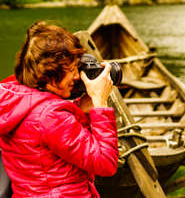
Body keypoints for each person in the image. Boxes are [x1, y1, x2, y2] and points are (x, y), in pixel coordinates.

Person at [0, 21, 118, 197]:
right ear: (49, 75)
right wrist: (100, 102)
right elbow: (106, 163)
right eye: (71, 70)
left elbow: (44, 141)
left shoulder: (16, 99)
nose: (78, 75)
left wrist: (78, 109)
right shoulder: (52, 117)